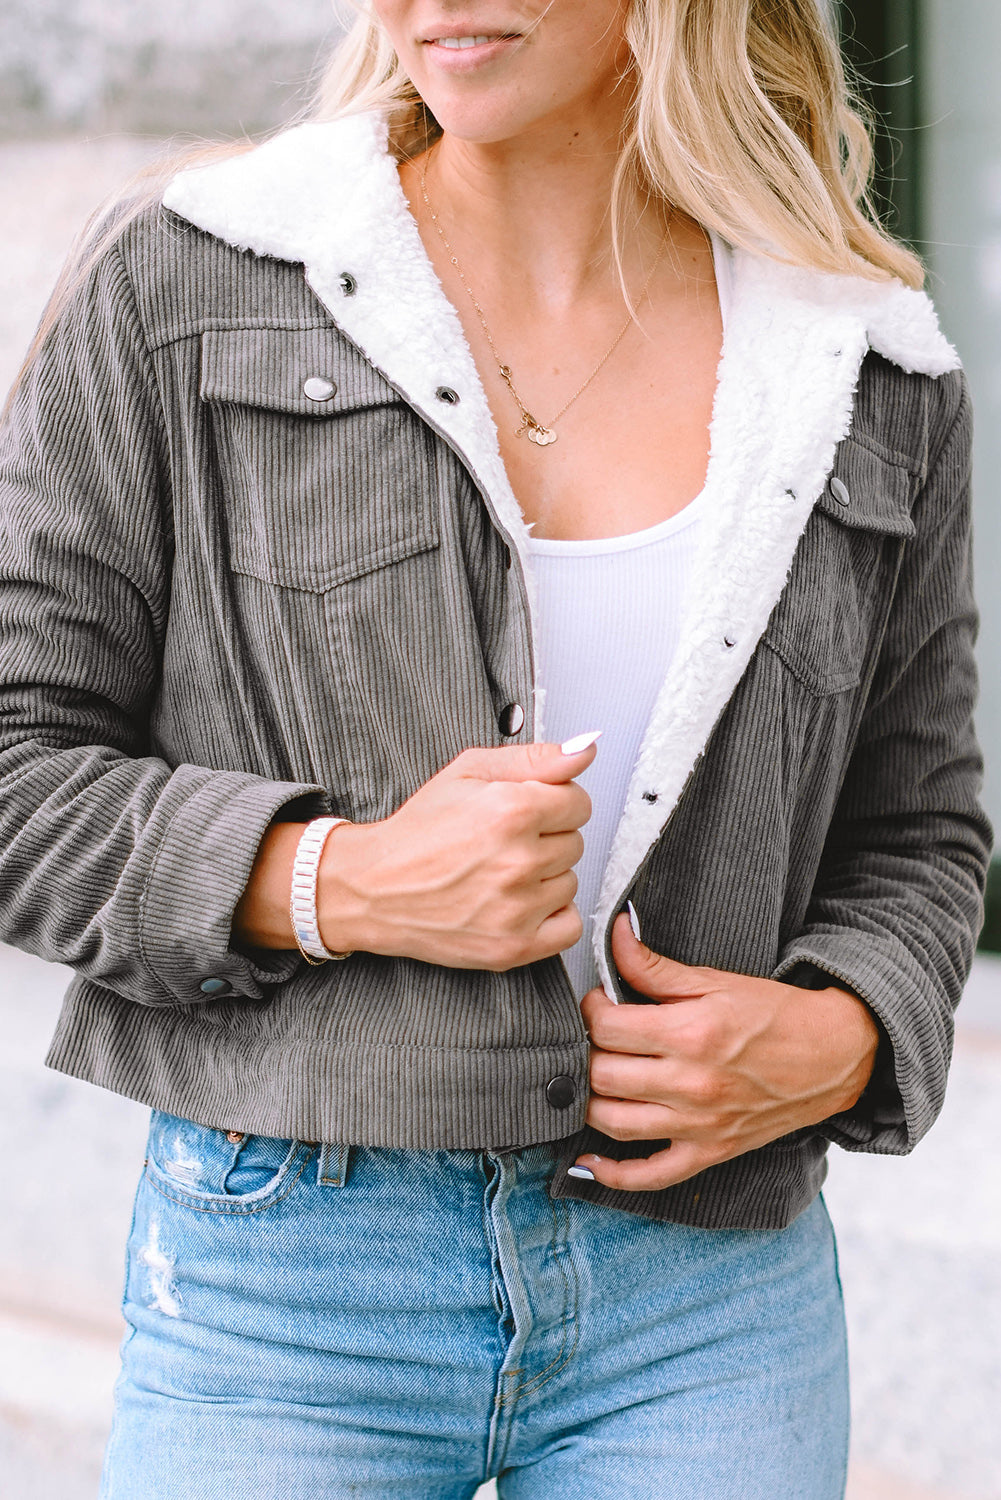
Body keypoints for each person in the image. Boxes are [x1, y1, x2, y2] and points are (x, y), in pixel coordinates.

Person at [0, 1, 990, 1496]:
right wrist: (335, 880)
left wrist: (841, 1034)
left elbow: (921, 836)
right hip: (290, 1280)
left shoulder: (861, 364)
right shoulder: (190, 282)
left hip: (708, 1302)